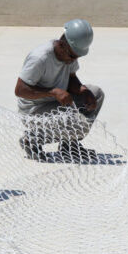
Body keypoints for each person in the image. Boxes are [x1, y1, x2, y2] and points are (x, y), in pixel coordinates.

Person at [15, 19, 105, 163]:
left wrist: (84, 91)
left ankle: (69, 146)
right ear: (62, 44)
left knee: (96, 94)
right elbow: (20, 90)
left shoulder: (70, 53)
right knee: (77, 123)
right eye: (71, 56)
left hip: (56, 102)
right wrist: (53, 92)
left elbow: (72, 78)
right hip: (35, 110)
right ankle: (31, 140)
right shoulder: (39, 58)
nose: (73, 60)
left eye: (77, 57)